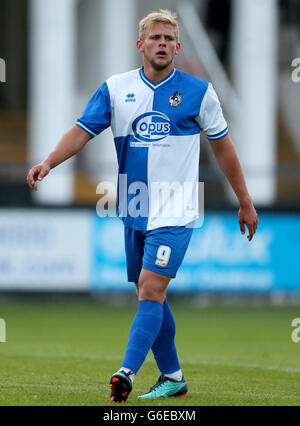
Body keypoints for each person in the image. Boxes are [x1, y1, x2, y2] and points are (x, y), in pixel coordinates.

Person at [27, 9, 258, 403]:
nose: (163, 43)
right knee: (150, 294)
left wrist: (245, 201)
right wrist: (49, 161)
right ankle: (173, 377)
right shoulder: (116, 89)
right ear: (141, 45)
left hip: (177, 211)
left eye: (170, 38)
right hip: (134, 209)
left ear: (178, 46)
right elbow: (82, 132)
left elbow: (224, 149)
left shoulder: (199, 92)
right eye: (156, 38)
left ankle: (126, 372)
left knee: (151, 290)